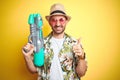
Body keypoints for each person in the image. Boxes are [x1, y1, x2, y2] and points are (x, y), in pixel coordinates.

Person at [22, 3, 87, 80]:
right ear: (49, 22)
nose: (58, 24)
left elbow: (81, 73)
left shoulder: (75, 43)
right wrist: (27, 57)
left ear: (66, 21)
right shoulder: (40, 43)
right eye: (54, 20)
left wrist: (81, 57)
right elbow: (34, 70)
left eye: (61, 20)